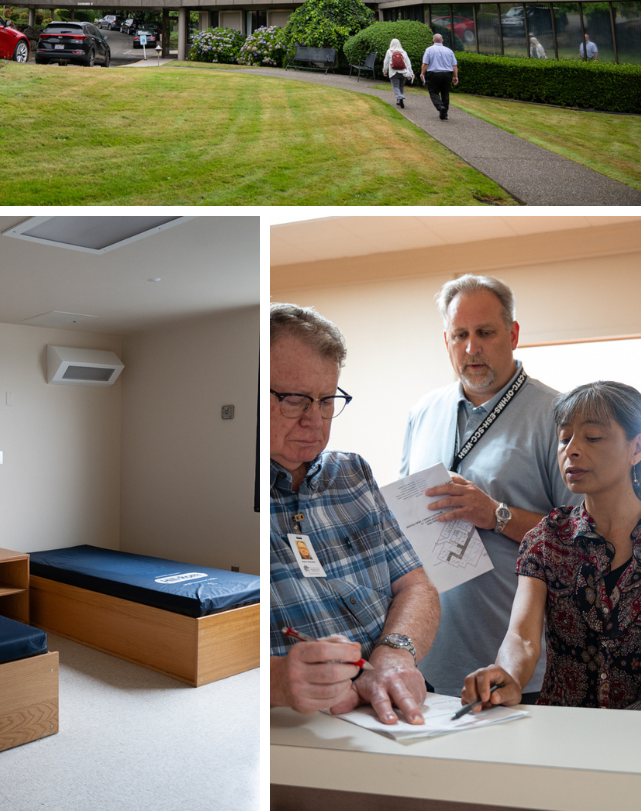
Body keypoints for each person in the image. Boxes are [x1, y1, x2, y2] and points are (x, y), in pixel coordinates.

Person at [400, 274, 571, 698]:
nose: (471, 348)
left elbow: (582, 541)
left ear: (512, 334)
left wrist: (497, 515)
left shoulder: (558, 415)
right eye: (460, 335)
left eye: (485, 333)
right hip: (429, 657)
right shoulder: (423, 412)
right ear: (446, 340)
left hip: (518, 665)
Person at [270, 303, 440, 725]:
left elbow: (417, 587)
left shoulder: (352, 473)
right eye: (294, 400)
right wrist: (276, 681)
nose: (315, 420)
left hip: (391, 705)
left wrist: (395, 653)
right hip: (300, 727)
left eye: (327, 400)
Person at [463, 382, 641, 710]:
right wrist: (509, 676)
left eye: (593, 437)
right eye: (564, 438)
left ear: (636, 448)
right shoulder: (547, 538)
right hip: (563, 730)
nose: (571, 450)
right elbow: (523, 637)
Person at [420, 33, 458, 120]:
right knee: (445, 93)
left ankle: (440, 107)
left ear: (433, 41)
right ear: (442, 41)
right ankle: (444, 114)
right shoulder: (449, 51)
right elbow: (454, 66)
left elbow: (425, 63)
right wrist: (455, 76)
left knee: (433, 92)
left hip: (435, 74)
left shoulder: (429, 50)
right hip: (447, 74)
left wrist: (422, 73)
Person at [382, 36, 414, 108]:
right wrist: (411, 72)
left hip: (394, 72)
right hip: (403, 72)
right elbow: (408, 63)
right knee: (401, 86)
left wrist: (385, 71)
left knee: (395, 86)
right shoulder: (403, 52)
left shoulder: (389, 51)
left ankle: (400, 97)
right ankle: (399, 100)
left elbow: (386, 62)